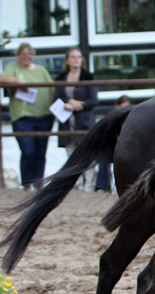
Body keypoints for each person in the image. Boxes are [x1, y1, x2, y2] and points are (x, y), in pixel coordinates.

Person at [0, 42, 54, 190]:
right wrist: (17, 81)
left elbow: (52, 88)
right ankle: (26, 182)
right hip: (22, 117)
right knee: (28, 150)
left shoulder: (41, 70)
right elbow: (2, 79)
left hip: (44, 115)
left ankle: (38, 182)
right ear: (18, 55)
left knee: (40, 151)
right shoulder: (12, 67)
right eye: (23, 54)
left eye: (29, 54)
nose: (27, 56)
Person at [53, 47, 99, 192]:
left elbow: (93, 100)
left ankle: (89, 185)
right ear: (67, 60)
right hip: (67, 121)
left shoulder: (88, 76)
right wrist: (69, 102)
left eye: (78, 57)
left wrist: (79, 105)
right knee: (71, 154)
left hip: (84, 120)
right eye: (73, 57)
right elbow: (57, 98)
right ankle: (76, 185)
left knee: (88, 155)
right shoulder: (61, 78)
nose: (76, 60)